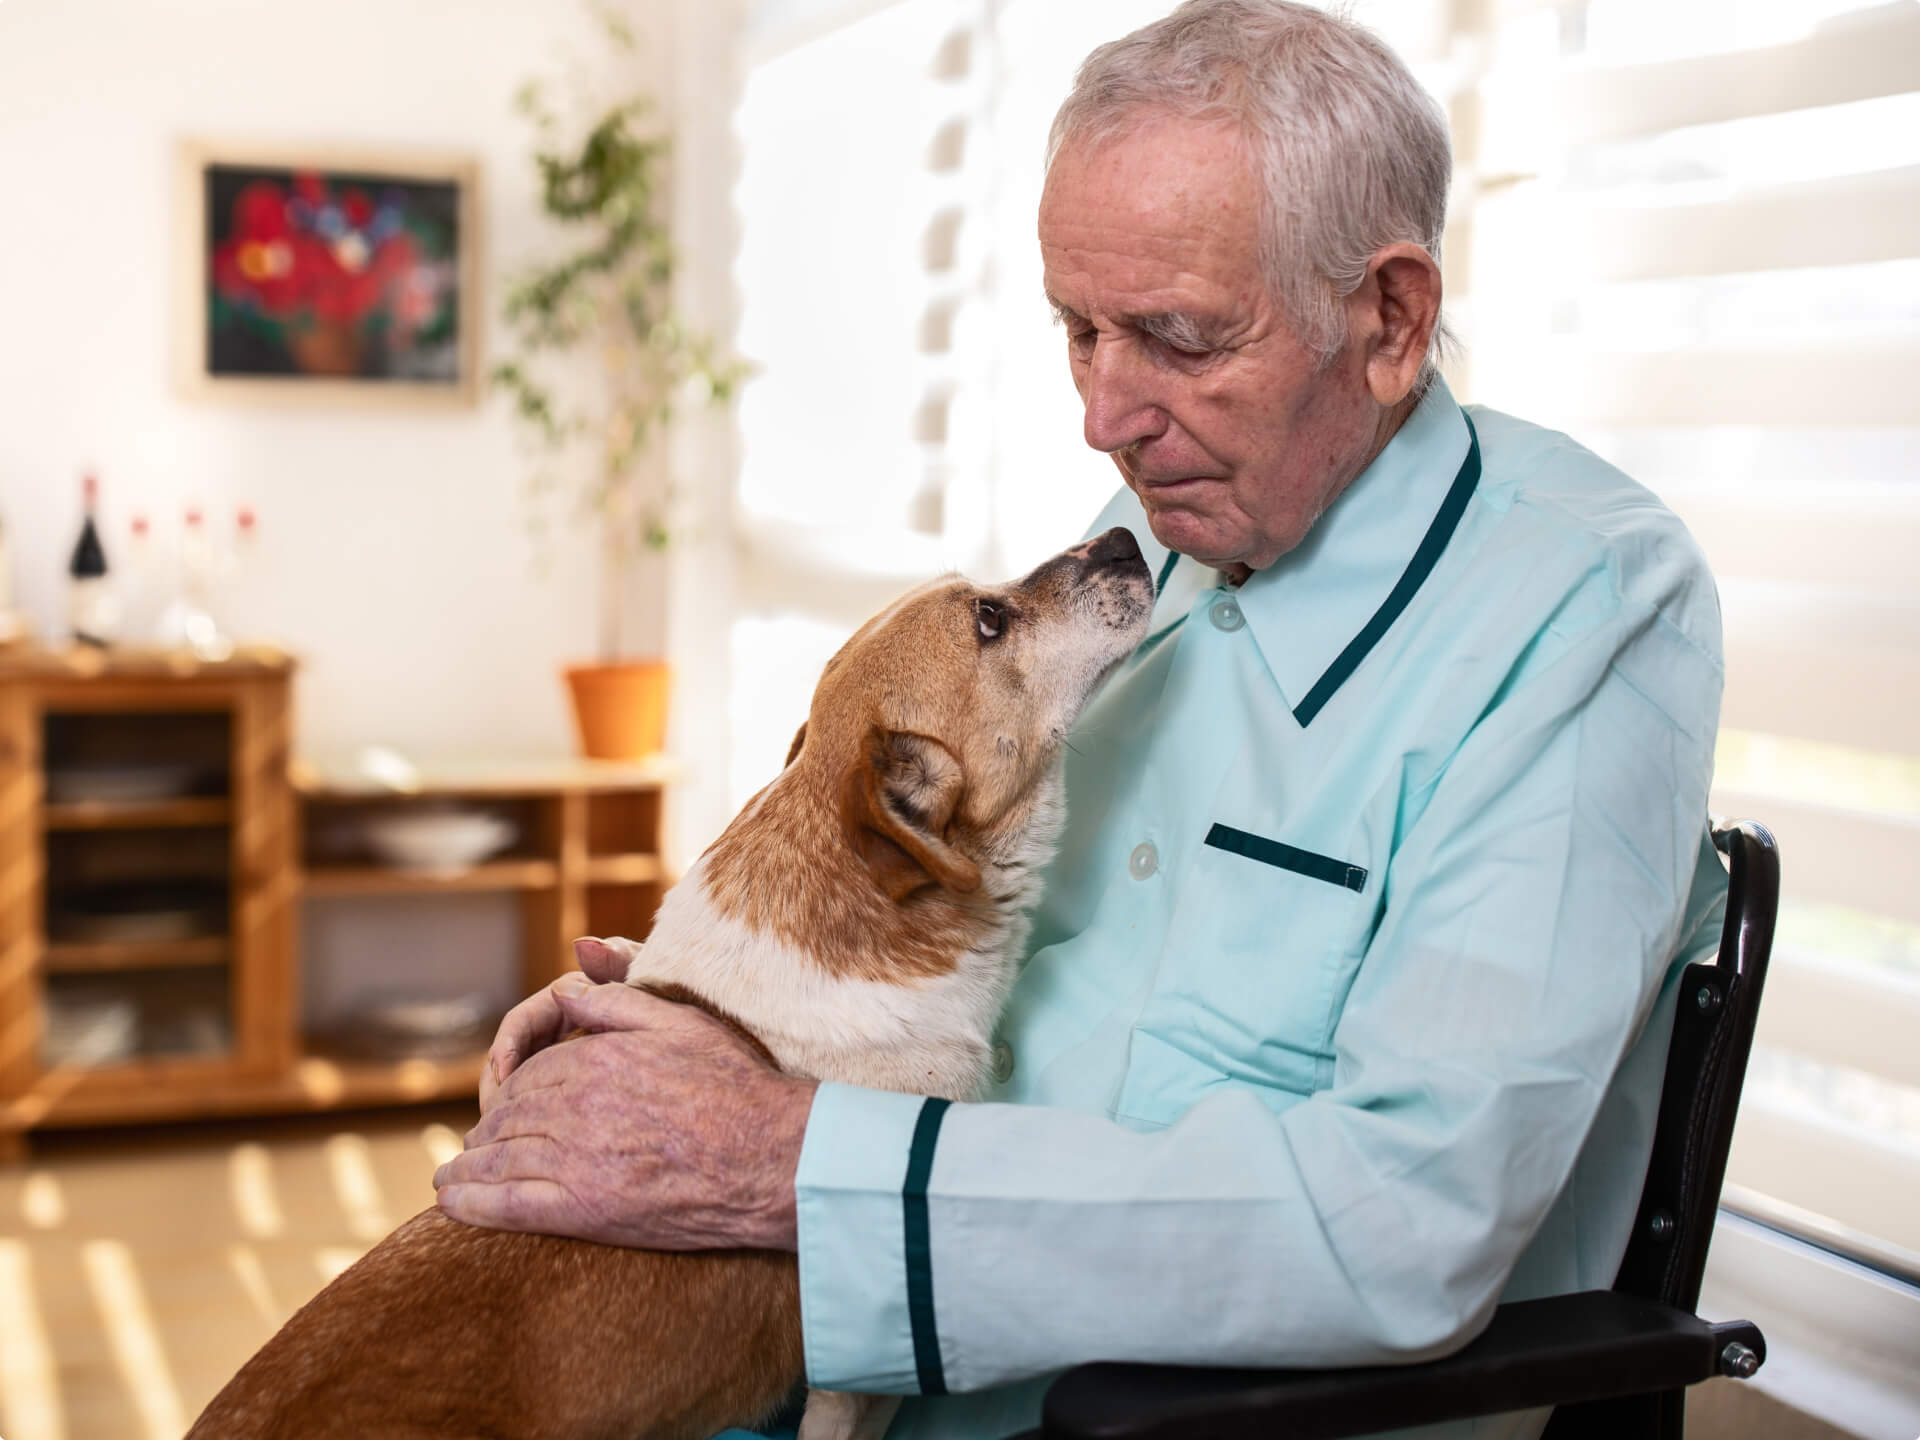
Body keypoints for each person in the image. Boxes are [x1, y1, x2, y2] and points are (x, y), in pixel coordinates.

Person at [433, 3, 1728, 1437]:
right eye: (1078, 331)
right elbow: (989, 952)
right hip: (879, 1339)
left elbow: (1402, 1226)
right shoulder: (1168, 520)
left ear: (1392, 319)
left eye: (1176, 339)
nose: (1106, 417)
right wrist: (731, 1027)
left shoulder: (1589, 607)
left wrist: (782, 1155)